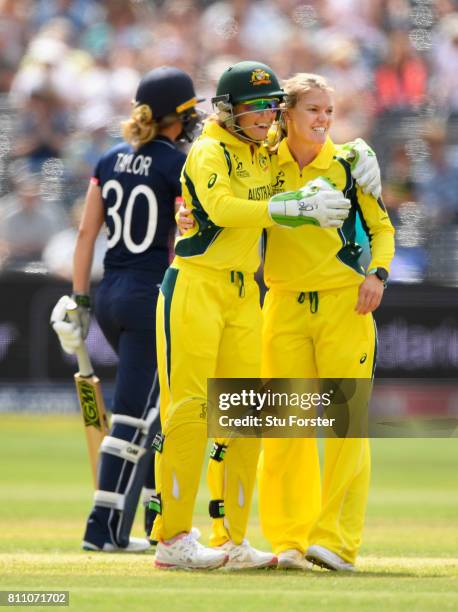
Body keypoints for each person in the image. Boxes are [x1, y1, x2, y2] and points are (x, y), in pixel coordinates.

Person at [151, 61, 352, 570]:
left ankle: (230, 539)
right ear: (228, 108)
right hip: (196, 284)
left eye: (271, 105)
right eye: (256, 105)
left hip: (244, 294)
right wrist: (290, 210)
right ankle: (172, 539)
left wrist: (361, 155)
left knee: (243, 416)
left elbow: (321, 145)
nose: (266, 114)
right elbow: (219, 206)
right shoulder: (208, 149)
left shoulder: (264, 152)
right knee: (190, 413)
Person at [50, 66, 203, 552]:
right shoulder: (176, 163)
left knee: (150, 416)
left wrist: (78, 299)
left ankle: (135, 527)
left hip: (110, 293)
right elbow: (187, 234)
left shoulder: (110, 157)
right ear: (174, 116)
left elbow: (85, 234)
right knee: (135, 419)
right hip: (149, 297)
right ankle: (101, 528)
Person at [258, 73, 395, 571]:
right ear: (287, 113)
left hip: (345, 304)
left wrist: (377, 275)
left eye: (328, 112)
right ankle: (288, 541)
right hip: (284, 303)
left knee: (345, 426)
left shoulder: (349, 164)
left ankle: (336, 542)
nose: (322, 120)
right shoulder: (263, 163)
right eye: (313, 109)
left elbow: (381, 229)